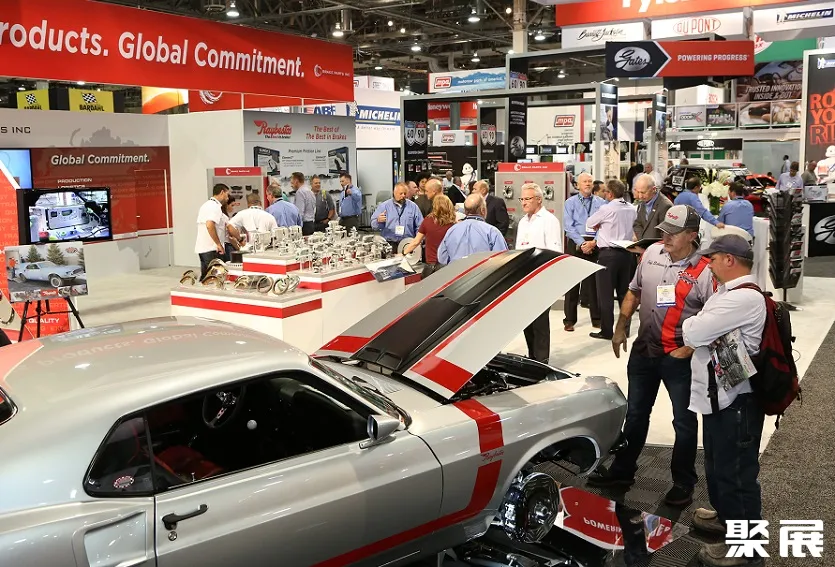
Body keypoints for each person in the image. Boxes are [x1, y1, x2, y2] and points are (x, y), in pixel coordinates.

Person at [588, 205, 712, 509]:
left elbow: (714, 317)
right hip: (644, 351)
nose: (665, 237)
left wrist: (690, 348)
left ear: (691, 235)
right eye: (663, 231)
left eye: (673, 233)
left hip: (678, 358)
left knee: (683, 422)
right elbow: (634, 290)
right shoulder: (652, 253)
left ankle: (683, 482)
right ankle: (622, 472)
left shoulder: (706, 270)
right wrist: (621, 326)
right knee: (635, 414)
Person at [682, 235, 766, 567]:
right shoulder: (727, 294)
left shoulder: (742, 298)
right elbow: (701, 328)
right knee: (718, 467)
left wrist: (697, 325)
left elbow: (693, 332)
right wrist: (702, 325)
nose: (709, 265)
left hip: (736, 402)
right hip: (721, 398)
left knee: (736, 475)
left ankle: (748, 551)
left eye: (713, 259)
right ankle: (728, 521)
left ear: (729, 260)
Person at [516, 183, 562, 363]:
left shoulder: (549, 221)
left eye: (527, 199)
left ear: (539, 199)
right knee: (526, 321)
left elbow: (554, 253)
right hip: (524, 278)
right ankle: (532, 357)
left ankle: (542, 360)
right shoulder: (522, 222)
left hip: (541, 279)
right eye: (522, 199)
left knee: (540, 322)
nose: (523, 203)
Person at [586, 179, 637, 341]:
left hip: (608, 255)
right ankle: (624, 330)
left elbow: (589, 223)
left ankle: (607, 331)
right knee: (624, 294)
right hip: (627, 254)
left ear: (610, 194)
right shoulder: (631, 208)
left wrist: (600, 225)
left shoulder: (606, 208)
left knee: (605, 295)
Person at [562, 172, 606, 332]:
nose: (587, 184)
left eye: (590, 181)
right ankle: (569, 320)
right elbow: (568, 227)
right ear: (578, 185)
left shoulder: (601, 203)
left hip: (594, 243)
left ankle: (596, 318)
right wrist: (582, 244)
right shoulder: (570, 203)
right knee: (572, 283)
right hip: (576, 243)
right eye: (584, 181)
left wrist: (594, 242)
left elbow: (605, 225)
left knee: (595, 283)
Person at [438, 193, 507, 264]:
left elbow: (442, 258)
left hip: (456, 270)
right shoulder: (492, 232)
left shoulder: (451, 231)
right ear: (483, 210)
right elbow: (502, 259)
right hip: (483, 270)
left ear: (465, 211)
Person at [404, 194, 457, 278]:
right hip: (447, 266)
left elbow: (416, 242)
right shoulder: (453, 224)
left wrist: (403, 253)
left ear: (434, 206)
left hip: (431, 266)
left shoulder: (427, 221)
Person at [371, 182, 424, 253]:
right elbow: (373, 225)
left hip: (407, 244)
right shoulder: (384, 206)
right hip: (389, 244)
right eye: (401, 193)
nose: (403, 196)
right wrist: (378, 220)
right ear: (394, 192)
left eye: (405, 193)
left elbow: (420, 226)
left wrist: (418, 242)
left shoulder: (413, 207)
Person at [194, 183, 229, 279]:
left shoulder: (206, 205)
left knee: (206, 278)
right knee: (214, 278)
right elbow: (209, 225)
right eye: (227, 195)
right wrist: (218, 244)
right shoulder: (215, 206)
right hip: (211, 249)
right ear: (222, 192)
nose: (227, 198)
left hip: (204, 248)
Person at [633, 173, 673, 241]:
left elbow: (665, 233)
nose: (640, 196)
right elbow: (637, 224)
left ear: (653, 189)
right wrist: (642, 241)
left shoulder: (665, 205)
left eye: (643, 192)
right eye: (638, 192)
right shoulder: (643, 201)